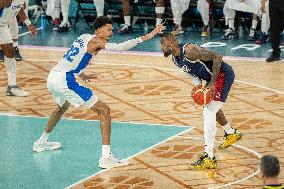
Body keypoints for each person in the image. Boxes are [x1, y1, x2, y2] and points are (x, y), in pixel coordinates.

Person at [33, 16, 165, 169]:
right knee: (104, 110)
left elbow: (72, 59)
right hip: (65, 80)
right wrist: (149, 35)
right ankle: (106, 157)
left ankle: (41, 142)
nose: (111, 32)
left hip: (53, 76)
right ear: (99, 29)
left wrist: (81, 74)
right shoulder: (97, 42)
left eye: (111, 29)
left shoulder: (83, 37)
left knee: (62, 107)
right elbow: (119, 47)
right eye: (108, 29)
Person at [160, 33, 242, 169]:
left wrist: (213, 83)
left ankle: (209, 157)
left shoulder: (190, 50)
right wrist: (198, 87)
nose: (161, 47)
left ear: (171, 41)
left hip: (222, 75)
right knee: (211, 107)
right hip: (211, 79)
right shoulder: (175, 59)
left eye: (162, 43)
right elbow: (192, 73)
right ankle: (230, 133)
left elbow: (217, 56)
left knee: (209, 111)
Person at [0, 0, 37, 96]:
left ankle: (12, 87)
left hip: (3, 26)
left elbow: (19, 9)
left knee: (10, 53)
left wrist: (29, 23)